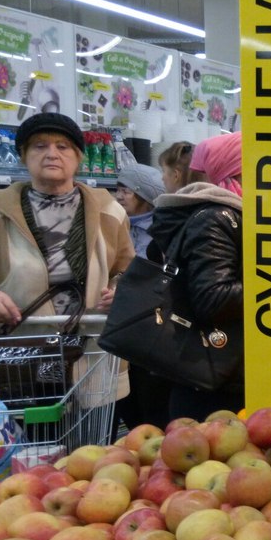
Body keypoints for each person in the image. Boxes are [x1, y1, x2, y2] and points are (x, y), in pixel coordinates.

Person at [0, 113, 132, 326]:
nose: (52, 154)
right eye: (39, 146)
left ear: (78, 157)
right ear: (23, 155)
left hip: (91, 338)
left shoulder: (109, 212)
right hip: (18, 337)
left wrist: (119, 292)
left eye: (62, 147)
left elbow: (126, 271)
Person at [150, 132, 244, 419]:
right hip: (213, 387)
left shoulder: (233, 216)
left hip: (223, 375)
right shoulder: (216, 218)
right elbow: (213, 298)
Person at [113, 163, 172, 430]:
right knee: (126, 402)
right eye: (118, 189)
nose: (119, 196)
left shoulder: (162, 231)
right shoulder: (116, 225)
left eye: (126, 190)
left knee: (150, 401)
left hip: (151, 329)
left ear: (144, 195)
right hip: (122, 326)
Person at [115, 164, 165, 260]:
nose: (118, 196)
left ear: (143, 197)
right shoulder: (114, 223)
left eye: (125, 192)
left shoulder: (158, 231)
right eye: (118, 190)